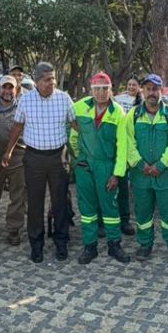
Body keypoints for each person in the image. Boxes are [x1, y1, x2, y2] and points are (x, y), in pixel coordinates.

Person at [4, 62, 77, 263]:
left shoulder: (64, 98)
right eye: (46, 79)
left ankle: (61, 241)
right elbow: (17, 126)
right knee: (35, 203)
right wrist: (8, 152)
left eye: (53, 78)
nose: (51, 82)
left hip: (58, 157)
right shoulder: (26, 100)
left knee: (60, 201)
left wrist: (90, 145)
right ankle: (36, 244)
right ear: (36, 81)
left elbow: (75, 124)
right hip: (34, 158)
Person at [119, 74, 168, 261]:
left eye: (155, 89)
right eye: (148, 89)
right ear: (143, 91)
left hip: (166, 174)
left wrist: (161, 165)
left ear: (161, 90)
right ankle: (145, 244)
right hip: (141, 174)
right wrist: (140, 163)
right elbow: (128, 142)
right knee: (143, 212)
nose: (151, 93)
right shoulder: (133, 115)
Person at [70, 72, 131, 264]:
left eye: (105, 88)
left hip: (106, 166)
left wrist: (116, 174)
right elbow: (71, 132)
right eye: (97, 89)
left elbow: (123, 146)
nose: (101, 92)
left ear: (111, 90)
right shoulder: (79, 107)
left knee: (110, 206)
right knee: (87, 208)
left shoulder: (118, 112)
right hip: (84, 165)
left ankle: (114, 245)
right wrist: (78, 157)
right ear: (91, 90)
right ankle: (90, 246)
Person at [0, 76, 27, 244]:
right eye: (4, 87)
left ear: (16, 90)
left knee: (17, 195)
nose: (7, 91)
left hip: (18, 157)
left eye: (11, 88)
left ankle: (14, 229)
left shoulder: (23, 107)